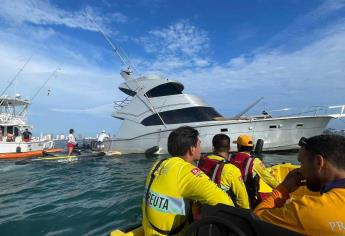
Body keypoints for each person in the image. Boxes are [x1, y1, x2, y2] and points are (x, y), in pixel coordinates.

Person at [142, 126, 234, 236]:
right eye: (199, 144)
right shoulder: (186, 171)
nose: (201, 148)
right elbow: (226, 204)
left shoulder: (158, 165)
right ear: (192, 149)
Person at [254, 134, 345, 235]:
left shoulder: (307, 210)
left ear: (319, 162)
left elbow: (256, 220)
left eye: (301, 163)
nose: (300, 170)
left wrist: (283, 188)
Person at [197, 134, 250, 209]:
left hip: (202, 207)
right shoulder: (231, 169)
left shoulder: (201, 161)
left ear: (213, 148)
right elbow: (242, 199)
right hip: (222, 212)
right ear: (229, 148)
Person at [229, 134, 279, 208]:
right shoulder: (254, 161)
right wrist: (283, 189)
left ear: (238, 146)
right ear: (252, 147)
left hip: (231, 196)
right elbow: (269, 179)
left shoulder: (230, 157)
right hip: (248, 198)